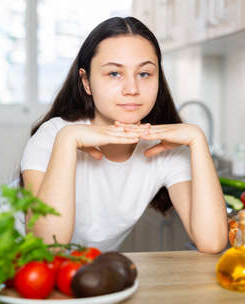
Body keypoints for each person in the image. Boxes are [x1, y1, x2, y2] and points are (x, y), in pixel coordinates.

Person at [20, 16, 227, 253]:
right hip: (17, 268)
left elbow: (212, 242)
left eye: (144, 74)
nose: (132, 89)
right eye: (114, 74)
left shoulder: (166, 148)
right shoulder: (54, 135)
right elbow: (48, 247)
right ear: (86, 82)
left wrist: (197, 139)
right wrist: (67, 141)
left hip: (89, 274)